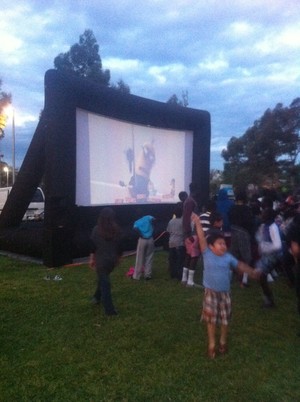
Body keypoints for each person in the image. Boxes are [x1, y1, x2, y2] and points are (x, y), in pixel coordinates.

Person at [191, 212, 261, 359]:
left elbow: (240, 265)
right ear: (211, 246)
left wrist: (252, 271)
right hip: (210, 294)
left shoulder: (227, 257)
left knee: (224, 320)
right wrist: (197, 223)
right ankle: (211, 343)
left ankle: (222, 340)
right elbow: (202, 238)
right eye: (220, 244)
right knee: (210, 320)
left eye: (224, 243)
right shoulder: (207, 254)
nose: (223, 246)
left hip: (225, 294)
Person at [89, 207, 123, 316]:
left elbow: (92, 246)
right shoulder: (116, 230)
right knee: (103, 280)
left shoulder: (96, 230)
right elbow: (120, 246)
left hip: (101, 261)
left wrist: (91, 259)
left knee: (105, 284)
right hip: (111, 261)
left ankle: (109, 310)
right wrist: (118, 257)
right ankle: (96, 298)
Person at [255, 206, 283, 308]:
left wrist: (265, 247)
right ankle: (268, 299)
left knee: (261, 276)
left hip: (273, 256)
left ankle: (269, 301)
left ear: (269, 217)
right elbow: (260, 238)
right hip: (267, 255)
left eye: (264, 214)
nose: (262, 215)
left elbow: (277, 245)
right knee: (260, 276)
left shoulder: (273, 227)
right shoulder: (264, 226)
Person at [228, 192, 254, 287]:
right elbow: (250, 222)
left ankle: (229, 277)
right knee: (246, 256)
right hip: (244, 233)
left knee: (233, 254)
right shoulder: (247, 209)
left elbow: (229, 218)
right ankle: (244, 280)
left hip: (233, 231)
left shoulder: (232, 208)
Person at [181, 183, 201, 287]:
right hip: (192, 234)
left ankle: (184, 279)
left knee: (189, 255)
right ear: (196, 190)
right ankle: (190, 281)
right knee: (194, 256)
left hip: (189, 233)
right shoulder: (190, 202)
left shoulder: (188, 201)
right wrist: (188, 234)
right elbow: (186, 218)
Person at [132, 214, 155, 280]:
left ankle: (136, 276)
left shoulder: (136, 222)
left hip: (142, 240)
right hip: (150, 239)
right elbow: (154, 219)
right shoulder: (147, 217)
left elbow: (135, 228)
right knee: (149, 257)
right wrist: (152, 226)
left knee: (139, 257)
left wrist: (141, 234)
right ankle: (148, 275)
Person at [166, 203, 185, 279]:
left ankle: (172, 274)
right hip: (180, 243)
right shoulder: (183, 221)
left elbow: (168, 231)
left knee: (172, 259)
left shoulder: (171, 221)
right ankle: (179, 275)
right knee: (180, 260)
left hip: (171, 243)